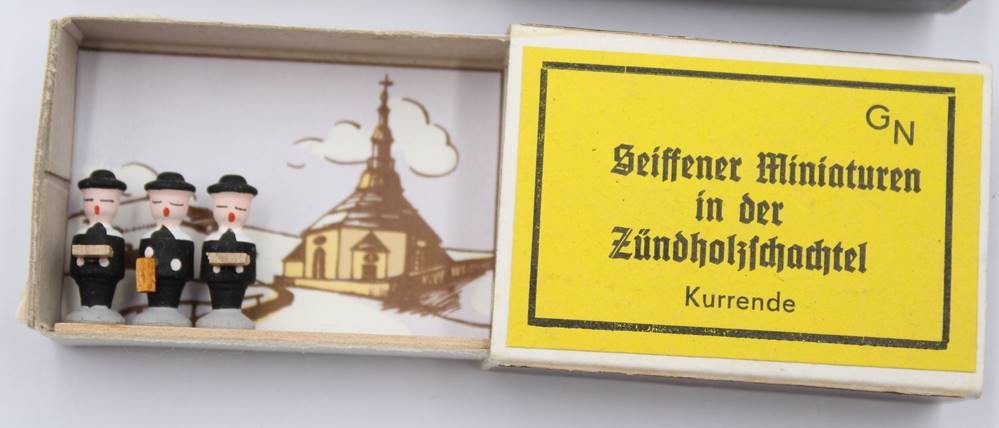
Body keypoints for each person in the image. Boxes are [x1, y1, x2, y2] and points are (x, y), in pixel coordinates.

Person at [132, 172, 197, 327]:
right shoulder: (147, 238)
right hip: (152, 288)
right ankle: (154, 307)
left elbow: (187, 272)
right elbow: (143, 274)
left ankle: (171, 308)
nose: (166, 208)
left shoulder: (185, 240)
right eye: (157, 202)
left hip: (176, 285)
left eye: (176, 204)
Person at [196, 174, 258, 329]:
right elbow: (206, 272)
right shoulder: (211, 240)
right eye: (223, 207)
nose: (231, 213)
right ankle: (217, 309)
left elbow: (249, 275)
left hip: (239, 286)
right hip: (215, 286)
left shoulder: (247, 242)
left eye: (240, 208)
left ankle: (234, 310)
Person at [66, 170, 127, 324]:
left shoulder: (116, 237)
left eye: (105, 201)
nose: (97, 206)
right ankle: (85, 305)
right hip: (83, 278)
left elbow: (118, 269)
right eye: (90, 200)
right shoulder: (80, 235)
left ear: (117, 203)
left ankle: (104, 306)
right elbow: (74, 268)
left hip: (108, 281)